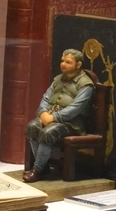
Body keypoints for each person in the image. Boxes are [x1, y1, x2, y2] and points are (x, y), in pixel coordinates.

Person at [23, 49, 94, 183]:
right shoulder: (58, 80)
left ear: (78, 64)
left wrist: (54, 117)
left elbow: (76, 108)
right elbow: (46, 98)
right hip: (49, 116)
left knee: (48, 133)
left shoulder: (86, 85)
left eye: (68, 62)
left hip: (71, 123)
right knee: (32, 127)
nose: (63, 64)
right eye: (62, 61)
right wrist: (43, 112)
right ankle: (43, 167)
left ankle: (37, 170)